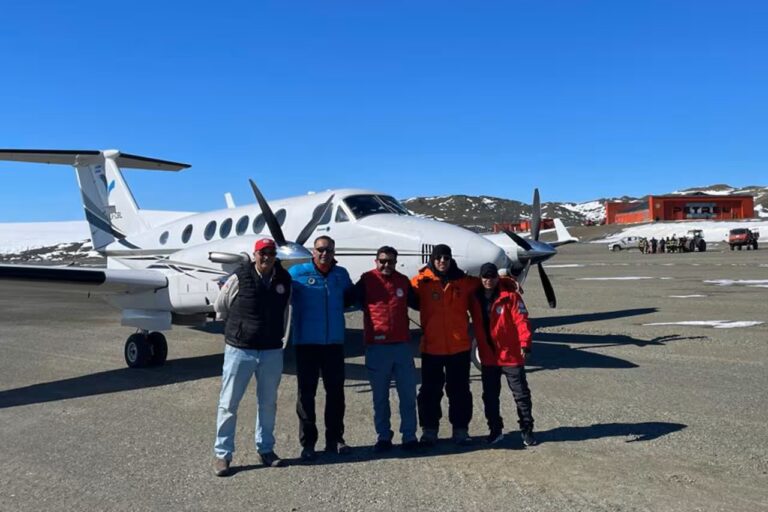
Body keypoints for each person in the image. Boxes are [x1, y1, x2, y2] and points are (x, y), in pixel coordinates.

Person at [213, 238, 292, 476]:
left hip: (271, 350)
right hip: (240, 349)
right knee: (228, 403)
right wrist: (239, 329)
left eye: (270, 252)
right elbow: (221, 305)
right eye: (262, 253)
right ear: (254, 254)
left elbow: (286, 308)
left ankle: (266, 449)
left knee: (268, 403)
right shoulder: (239, 277)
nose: (266, 257)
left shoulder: (284, 279)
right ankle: (222, 454)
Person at [289, 235, 354, 461]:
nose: (324, 253)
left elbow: (351, 297)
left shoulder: (341, 275)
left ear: (334, 252)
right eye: (320, 249)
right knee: (306, 394)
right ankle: (308, 443)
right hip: (306, 343)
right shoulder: (297, 273)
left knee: (336, 393)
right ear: (313, 252)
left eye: (328, 249)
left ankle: (335, 439)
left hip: (334, 343)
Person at [411, 244, 480, 446]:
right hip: (432, 347)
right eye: (439, 257)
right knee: (430, 391)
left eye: (446, 258)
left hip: (458, 347)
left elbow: (488, 282)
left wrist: (509, 281)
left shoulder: (464, 282)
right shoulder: (420, 282)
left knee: (459, 391)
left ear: (451, 260)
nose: (442, 261)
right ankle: (429, 430)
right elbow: (396, 289)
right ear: (432, 259)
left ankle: (460, 430)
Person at [353, 246, 420, 453]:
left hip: (401, 346)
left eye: (390, 261)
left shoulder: (403, 281)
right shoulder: (366, 280)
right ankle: (383, 436)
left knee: (408, 395)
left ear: (395, 262)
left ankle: (409, 436)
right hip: (377, 347)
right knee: (380, 397)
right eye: (382, 261)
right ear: (376, 261)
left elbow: (419, 303)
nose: (386, 265)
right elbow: (347, 299)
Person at [472, 263, 536, 447]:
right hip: (488, 356)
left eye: (492, 276)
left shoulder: (511, 296)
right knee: (490, 396)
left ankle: (527, 429)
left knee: (521, 394)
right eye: (485, 277)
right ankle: (495, 430)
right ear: (480, 278)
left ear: (497, 277)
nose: (488, 280)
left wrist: (525, 343)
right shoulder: (474, 297)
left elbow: (521, 320)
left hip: (510, 355)